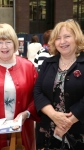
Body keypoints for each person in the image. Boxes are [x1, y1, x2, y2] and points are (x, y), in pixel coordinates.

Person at [34, 19, 84, 149]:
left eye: (67, 36)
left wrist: (67, 122)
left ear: (77, 38)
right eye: (58, 38)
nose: (62, 42)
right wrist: (54, 115)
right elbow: (38, 92)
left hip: (79, 131)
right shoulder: (48, 63)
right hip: (49, 130)